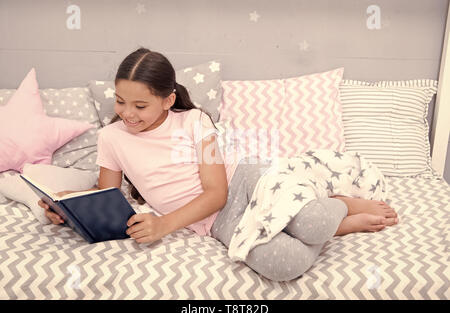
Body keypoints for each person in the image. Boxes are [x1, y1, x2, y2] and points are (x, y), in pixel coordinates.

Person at [38, 48, 398, 281]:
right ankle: (333, 224)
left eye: (140, 106)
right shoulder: (112, 138)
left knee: (315, 222)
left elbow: (216, 192)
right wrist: (66, 205)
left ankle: (338, 206)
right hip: (218, 221)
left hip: (245, 182)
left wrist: (163, 225)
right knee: (284, 264)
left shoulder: (195, 122)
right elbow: (107, 193)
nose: (127, 114)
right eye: (119, 102)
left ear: (167, 100)